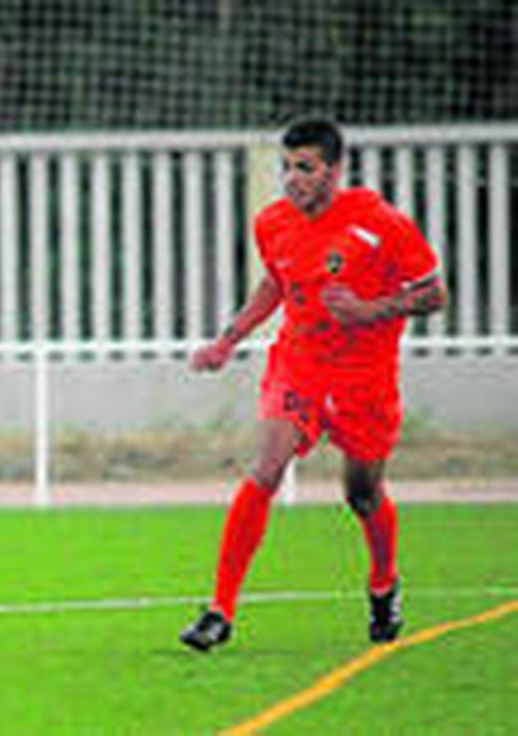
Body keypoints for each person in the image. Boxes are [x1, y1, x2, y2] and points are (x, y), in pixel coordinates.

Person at [178, 117, 447, 652]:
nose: (293, 179)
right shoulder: (273, 223)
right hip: (299, 364)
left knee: (363, 494)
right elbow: (277, 283)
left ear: (333, 170)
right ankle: (219, 610)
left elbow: (434, 294)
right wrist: (229, 339)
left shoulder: (379, 221)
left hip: (364, 378)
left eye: (305, 168)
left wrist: (371, 309)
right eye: (287, 168)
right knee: (267, 467)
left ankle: (383, 584)